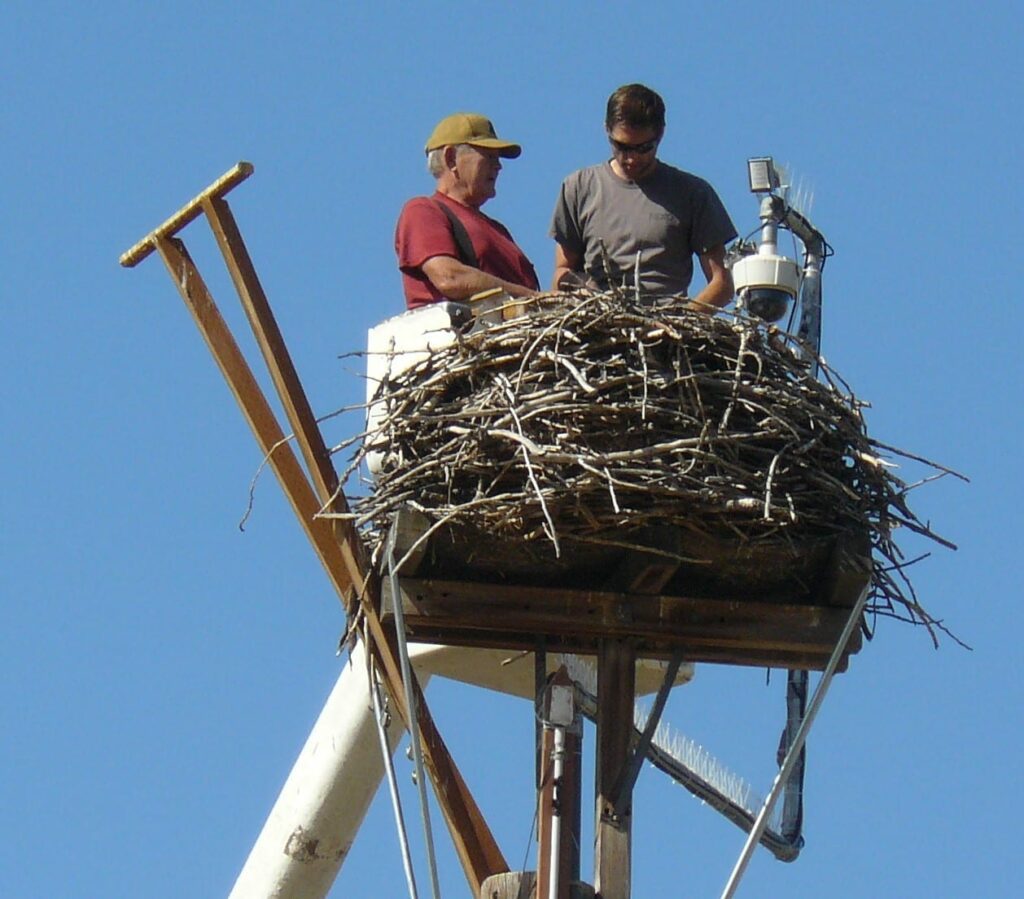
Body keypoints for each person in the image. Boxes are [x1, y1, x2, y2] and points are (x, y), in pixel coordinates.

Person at [549, 84, 737, 311]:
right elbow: (562, 273)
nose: (631, 159)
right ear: (606, 130)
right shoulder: (578, 187)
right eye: (621, 146)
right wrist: (581, 290)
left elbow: (722, 284)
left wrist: (677, 324)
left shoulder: (693, 194)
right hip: (597, 326)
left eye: (644, 148)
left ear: (661, 134)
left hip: (667, 332)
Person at [395, 113, 540, 309]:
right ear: (451, 158)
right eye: (488, 156)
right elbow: (449, 277)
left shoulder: (498, 230)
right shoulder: (423, 210)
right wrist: (533, 298)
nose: (498, 166)